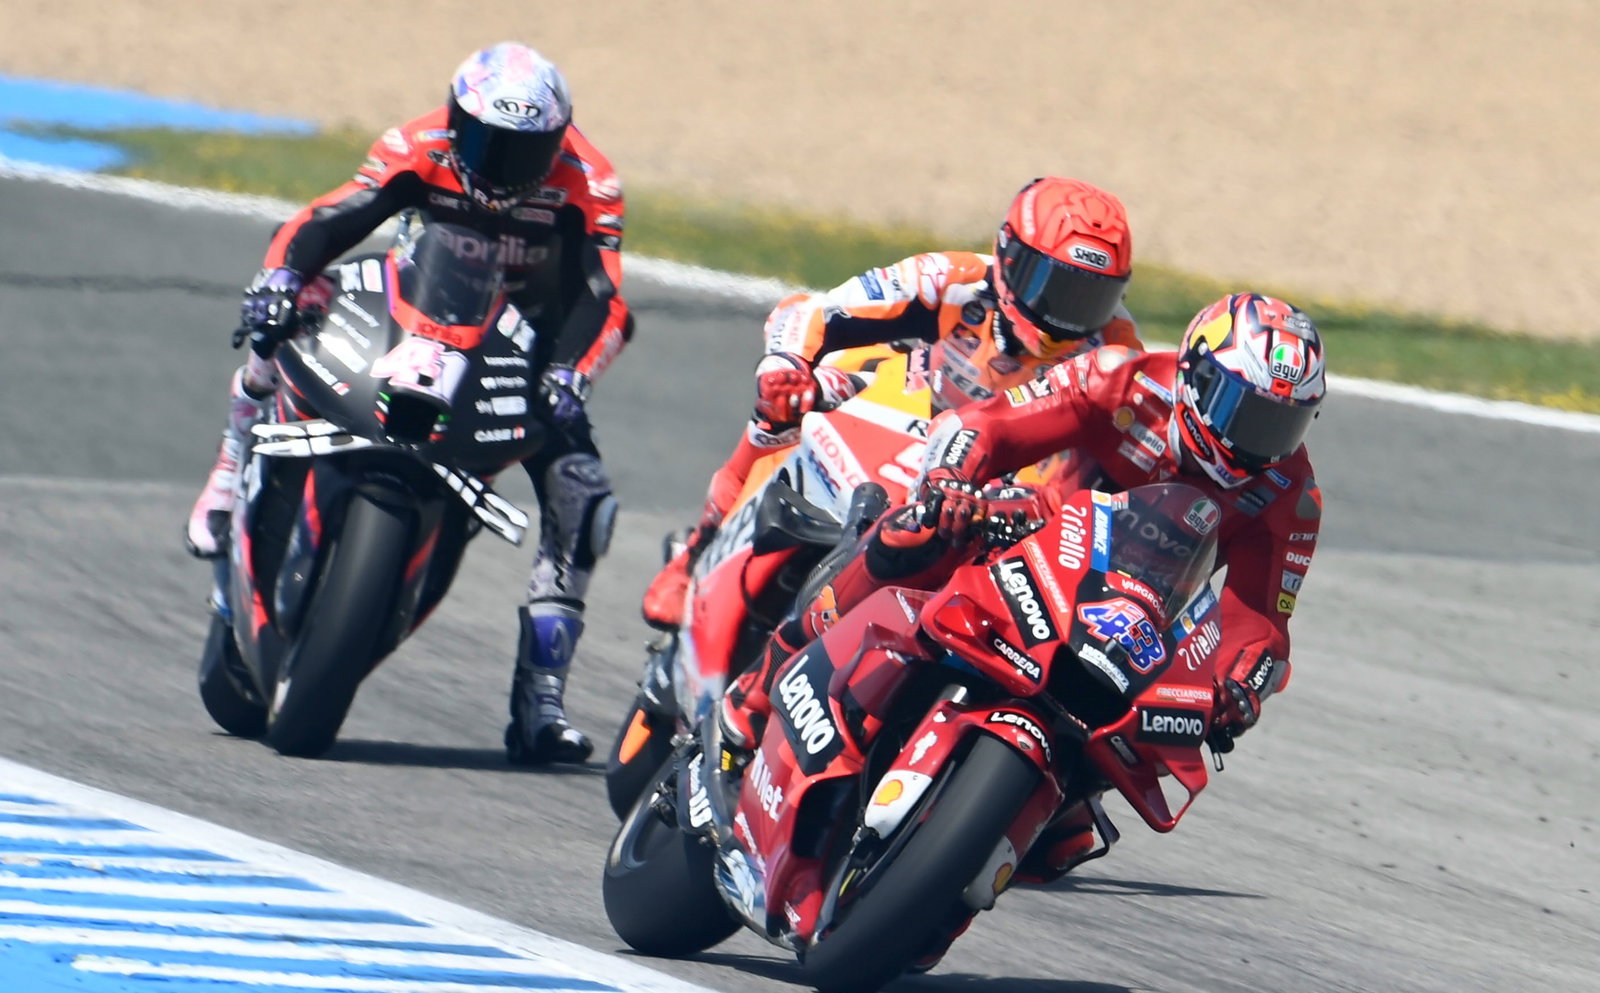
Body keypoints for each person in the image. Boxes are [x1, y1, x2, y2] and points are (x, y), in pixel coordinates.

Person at [721, 291, 1327, 885]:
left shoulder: (1288, 496)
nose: (1257, 440)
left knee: (1065, 844)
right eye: (1241, 410)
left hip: (1134, 626)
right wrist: (951, 479)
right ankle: (758, 689)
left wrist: (1236, 687)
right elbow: (988, 425)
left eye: (1283, 422)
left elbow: (1262, 626)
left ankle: (972, 851)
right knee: (916, 532)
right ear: (1195, 375)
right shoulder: (1123, 380)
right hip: (1027, 533)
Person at [183, 42, 632, 766]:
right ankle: (234, 460)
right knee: (286, 312)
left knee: (585, 498)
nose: (504, 164)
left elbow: (603, 302)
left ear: (558, 140)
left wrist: (570, 375)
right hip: (413, 315)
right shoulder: (417, 144)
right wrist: (279, 279)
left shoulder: (589, 180)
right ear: (457, 122)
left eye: (527, 151)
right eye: (488, 142)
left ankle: (538, 700)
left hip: (519, 353)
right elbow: (327, 219)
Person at [640, 176, 1142, 629]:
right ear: (1009, 258)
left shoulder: (1119, 350)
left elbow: (1128, 467)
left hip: (1003, 468)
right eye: (1054, 289)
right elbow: (812, 312)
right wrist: (787, 365)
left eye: (1090, 299)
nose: (1068, 318)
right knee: (787, 399)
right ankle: (697, 550)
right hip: (909, 405)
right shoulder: (955, 279)